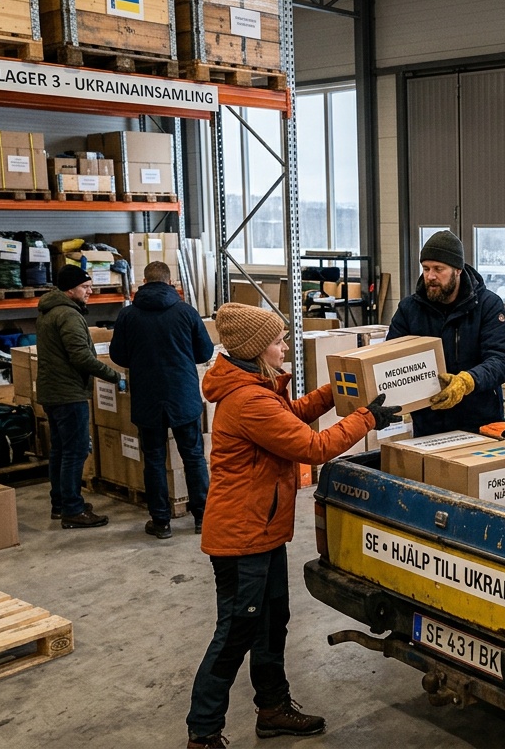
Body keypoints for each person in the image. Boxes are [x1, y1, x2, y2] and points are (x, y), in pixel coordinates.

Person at [185, 303, 400, 749]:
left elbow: (295, 414)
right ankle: (203, 732)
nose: (285, 347)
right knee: (235, 633)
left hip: (263, 531)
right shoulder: (249, 400)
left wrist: (337, 393)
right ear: (256, 350)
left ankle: (273, 708)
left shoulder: (257, 385)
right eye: (279, 341)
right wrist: (367, 419)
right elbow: (314, 447)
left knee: (271, 622)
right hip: (242, 537)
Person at [110, 261, 215, 539]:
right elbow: (204, 352)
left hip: (147, 397)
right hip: (183, 396)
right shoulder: (186, 312)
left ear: (143, 282)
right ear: (171, 282)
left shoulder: (128, 316)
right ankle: (202, 518)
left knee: (154, 459)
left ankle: (161, 522)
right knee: (193, 456)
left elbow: (118, 356)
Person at [388, 230, 505, 436]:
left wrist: (467, 381)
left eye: (439, 269)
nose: (430, 276)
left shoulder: (487, 306)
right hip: (429, 423)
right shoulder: (409, 309)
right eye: (426, 268)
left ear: (458, 270)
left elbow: (501, 360)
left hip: (479, 421)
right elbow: (391, 357)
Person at [37, 264, 124, 529]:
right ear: (70, 289)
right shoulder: (68, 315)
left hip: (52, 391)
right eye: (85, 287)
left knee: (61, 451)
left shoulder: (49, 312)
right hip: (68, 393)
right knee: (74, 452)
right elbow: (81, 357)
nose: (90, 291)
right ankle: (73, 509)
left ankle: (60, 503)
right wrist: (114, 376)